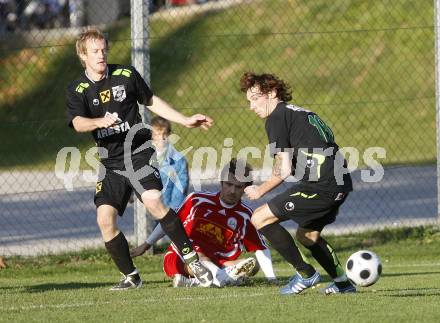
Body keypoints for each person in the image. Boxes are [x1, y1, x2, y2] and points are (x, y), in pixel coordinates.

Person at [65, 27, 214, 290]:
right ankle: (131, 276)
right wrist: (100, 121)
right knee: (104, 219)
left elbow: (151, 100)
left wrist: (185, 120)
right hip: (110, 162)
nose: (101, 55)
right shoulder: (78, 89)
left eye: (103, 50)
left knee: (154, 201)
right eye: (95, 52)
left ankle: (192, 259)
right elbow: (77, 122)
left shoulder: (125, 75)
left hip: (138, 152)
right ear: (83, 56)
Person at [239, 72, 355, 295]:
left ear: (272, 93)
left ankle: (306, 274)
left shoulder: (276, 117)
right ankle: (343, 284)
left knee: (260, 217)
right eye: (248, 101)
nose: (251, 106)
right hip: (339, 183)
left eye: (255, 98)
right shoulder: (298, 112)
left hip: (321, 185)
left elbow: (283, 169)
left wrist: (260, 190)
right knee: (307, 236)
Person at [131, 159, 277, 288]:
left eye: (238, 187)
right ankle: (221, 278)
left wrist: (271, 278)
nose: (232, 191)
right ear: (221, 182)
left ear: (246, 188)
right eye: (228, 184)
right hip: (185, 257)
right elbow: (169, 221)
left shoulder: (246, 215)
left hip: (221, 262)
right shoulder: (197, 200)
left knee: (253, 264)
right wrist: (146, 244)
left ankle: (197, 282)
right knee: (199, 257)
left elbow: (260, 247)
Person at [149, 116, 189, 210]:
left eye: (165, 134)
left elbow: (179, 192)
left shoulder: (179, 161)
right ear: (151, 136)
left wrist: (170, 215)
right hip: (148, 212)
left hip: (167, 211)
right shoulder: (143, 157)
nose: (162, 138)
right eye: (158, 134)